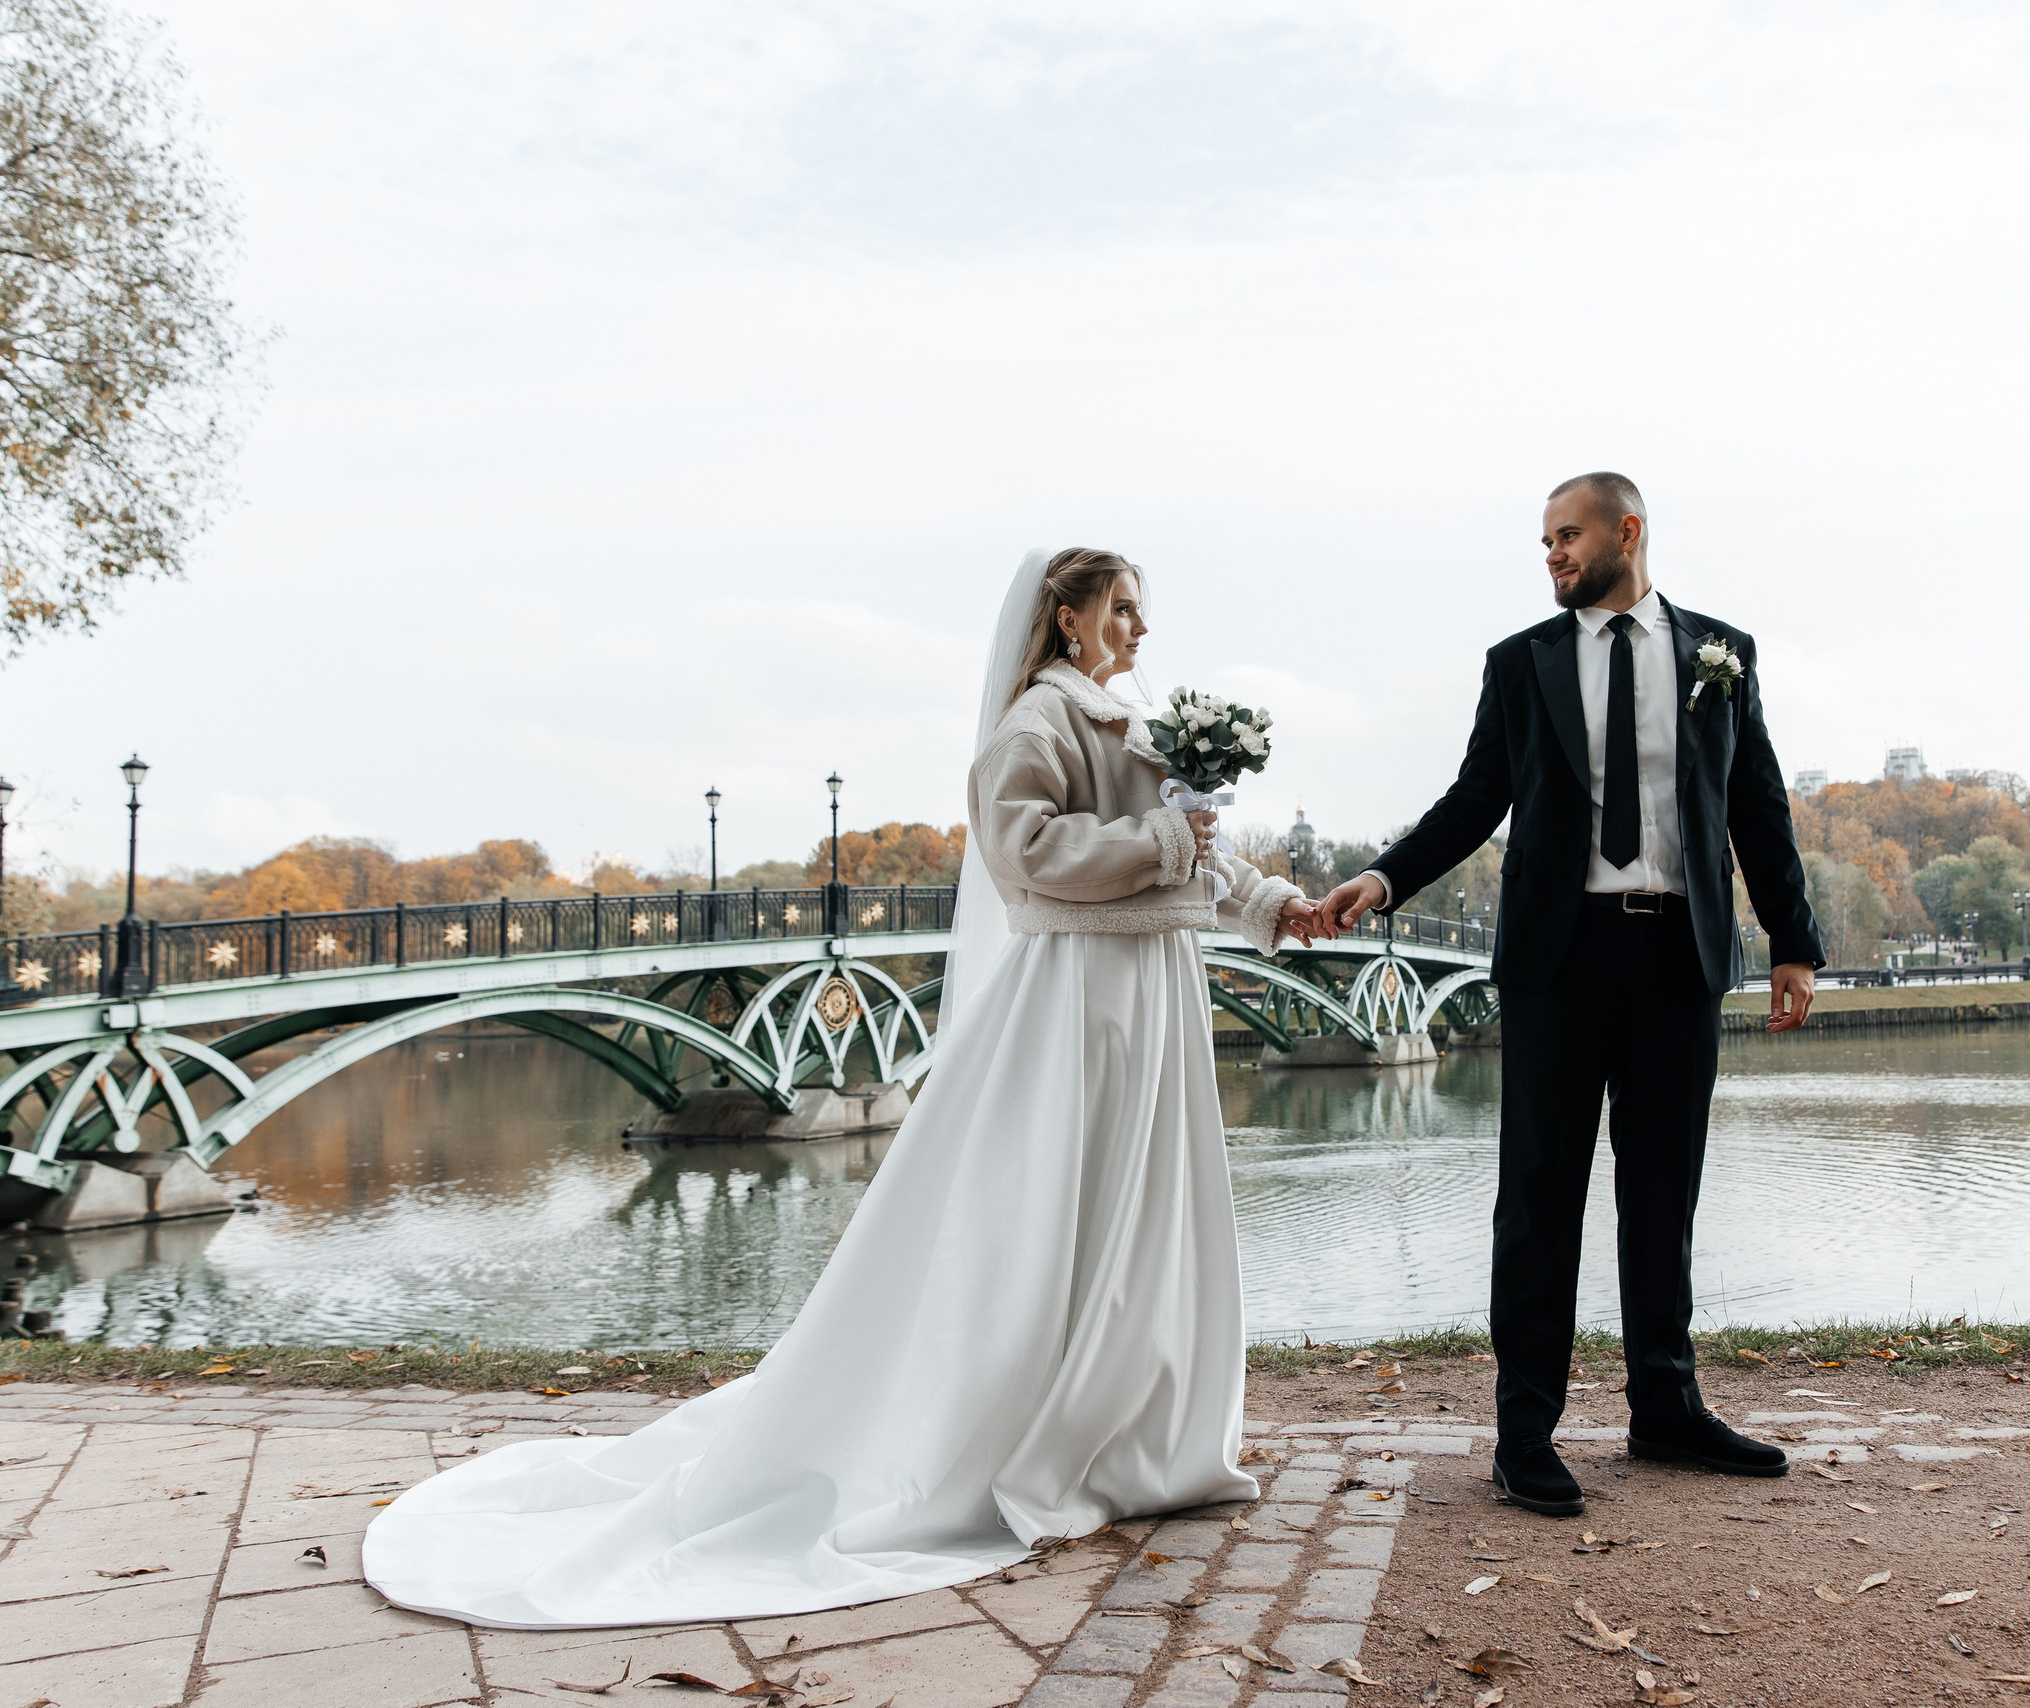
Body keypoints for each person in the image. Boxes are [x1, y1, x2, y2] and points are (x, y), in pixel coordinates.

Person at [363, 548, 1323, 1627]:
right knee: (1066, 1208)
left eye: (1145, 611)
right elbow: (1022, 855)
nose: (1141, 629)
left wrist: (1278, 906)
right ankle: (1045, 1425)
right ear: (1065, 620)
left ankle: (1137, 1426)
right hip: (1083, 1003)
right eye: (1122, 609)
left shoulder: (1141, 728)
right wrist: (1157, 835)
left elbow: (1208, 852)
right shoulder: (1035, 727)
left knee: (1149, 1212)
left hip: (1155, 992)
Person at [1316, 473, 1824, 1518]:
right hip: (1557, 961)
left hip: (1678, 958)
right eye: (1543, 539)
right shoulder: (1522, 663)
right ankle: (1523, 1434)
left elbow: (1756, 804)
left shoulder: (1720, 654)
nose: (1549, 553)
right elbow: (1475, 798)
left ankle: (1666, 1409)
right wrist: (1383, 878)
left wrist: (1791, 942)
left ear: (1625, 533)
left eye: (1566, 534)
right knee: (1539, 1201)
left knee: (1661, 1195)